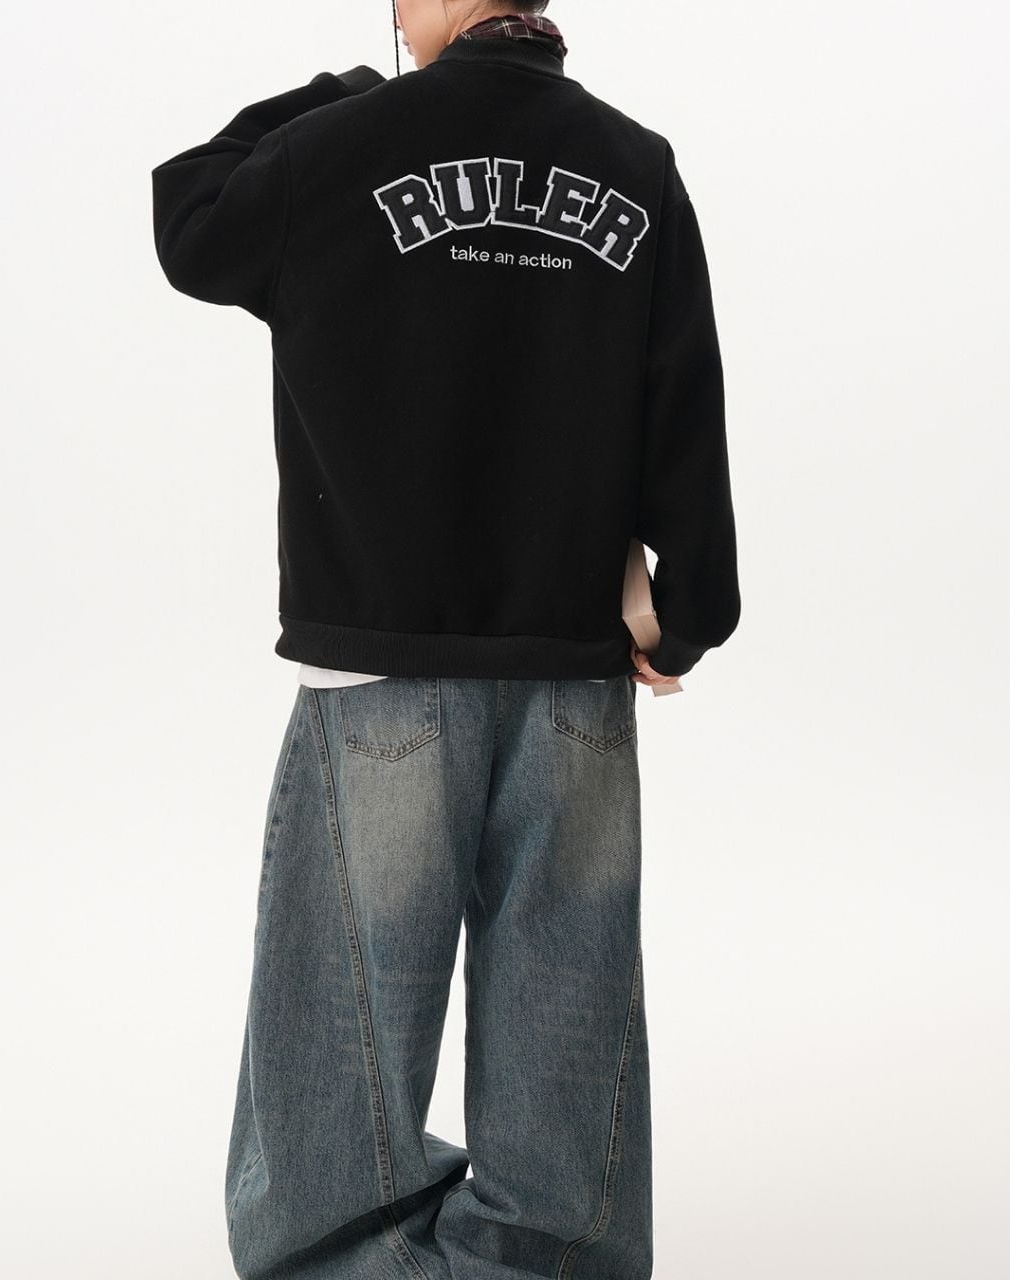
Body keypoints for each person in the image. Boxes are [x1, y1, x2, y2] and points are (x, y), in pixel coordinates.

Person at [150, 2, 740, 1275]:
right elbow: (681, 398)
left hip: (384, 657)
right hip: (571, 657)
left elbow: (190, 218)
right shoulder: (633, 164)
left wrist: (350, 94)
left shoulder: (336, 146)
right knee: (566, 986)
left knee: (348, 996)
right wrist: (691, 608)